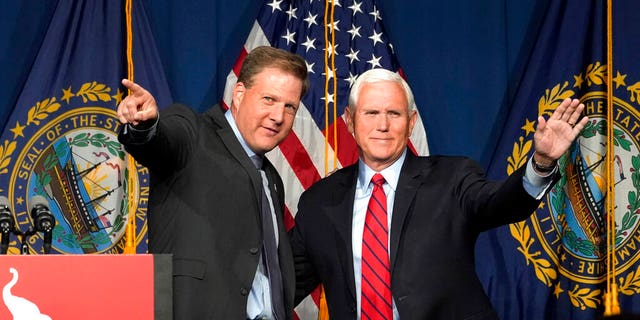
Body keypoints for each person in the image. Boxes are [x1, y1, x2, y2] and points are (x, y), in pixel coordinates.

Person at [290, 68, 588, 319]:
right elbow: (283, 285)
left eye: (394, 113)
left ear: (411, 122)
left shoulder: (453, 179)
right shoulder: (320, 201)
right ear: (349, 122)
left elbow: (502, 203)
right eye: (371, 113)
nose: (383, 125)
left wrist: (542, 163)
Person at [117, 46, 309, 319]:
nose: (278, 117)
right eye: (269, 99)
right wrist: (145, 126)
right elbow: (162, 141)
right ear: (239, 94)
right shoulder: (194, 133)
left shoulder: (271, 179)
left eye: (290, 107)